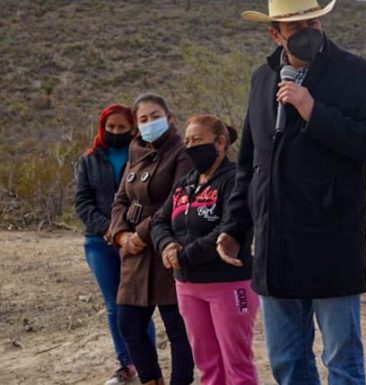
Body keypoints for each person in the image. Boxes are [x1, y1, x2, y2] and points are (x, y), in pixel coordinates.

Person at [216, 0, 366, 385]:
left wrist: (314, 112)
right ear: (274, 33)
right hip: (276, 248)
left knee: (342, 362)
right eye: (295, 28)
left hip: (331, 243)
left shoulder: (358, 75)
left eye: (312, 23)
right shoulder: (262, 80)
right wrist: (234, 227)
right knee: (286, 362)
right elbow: (249, 164)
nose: (307, 33)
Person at [152, 115, 259, 385]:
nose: (190, 146)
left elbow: (230, 227)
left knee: (237, 362)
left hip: (228, 283)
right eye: (187, 141)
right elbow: (160, 222)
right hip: (187, 285)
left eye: (197, 141)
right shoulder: (184, 184)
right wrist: (166, 246)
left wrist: (184, 255)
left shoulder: (235, 179)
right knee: (207, 363)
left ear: (220, 142)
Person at [109, 93, 194, 385]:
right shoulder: (135, 153)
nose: (149, 123)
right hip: (134, 252)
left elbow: (175, 199)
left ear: (169, 118)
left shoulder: (182, 152)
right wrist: (121, 235)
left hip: (165, 245)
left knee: (177, 329)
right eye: (143, 119)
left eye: (155, 117)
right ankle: (150, 379)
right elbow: (120, 199)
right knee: (129, 324)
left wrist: (142, 235)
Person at [76, 104, 156, 385]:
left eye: (122, 127)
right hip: (99, 242)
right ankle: (127, 365)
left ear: (133, 127)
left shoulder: (146, 155)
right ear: (103, 127)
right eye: (111, 128)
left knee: (138, 302)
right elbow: (82, 202)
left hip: (137, 241)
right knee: (114, 305)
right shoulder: (89, 159)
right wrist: (110, 230)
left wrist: (130, 233)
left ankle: (148, 363)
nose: (116, 132)